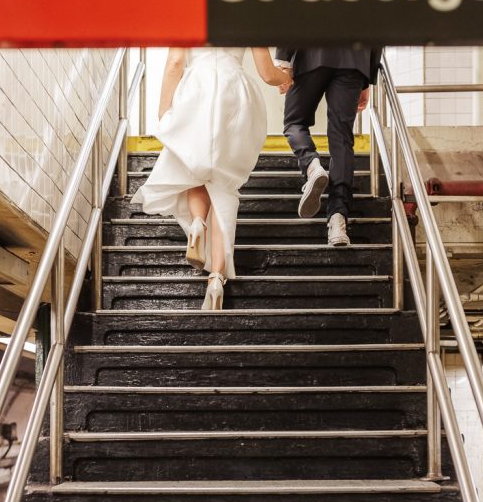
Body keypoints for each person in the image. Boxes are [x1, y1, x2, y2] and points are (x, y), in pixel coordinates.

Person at [132, 48, 292, 310]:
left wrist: (164, 110)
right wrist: (287, 77)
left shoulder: (190, 12)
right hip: (236, 93)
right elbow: (266, 72)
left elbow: (175, 63)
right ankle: (216, 278)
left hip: (197, 89)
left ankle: (197, 224)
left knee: (193, 165)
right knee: (223, 185)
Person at [275, 47, 382, 246]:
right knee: (342, 137)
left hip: (310, 52)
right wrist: (367, 76)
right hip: (354, 59)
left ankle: (312, 166)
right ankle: (338, 220)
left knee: (294, 123)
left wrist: (284, 61)